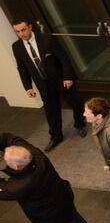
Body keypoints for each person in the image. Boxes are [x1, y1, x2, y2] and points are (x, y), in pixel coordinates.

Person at [11, 18, 86, 150]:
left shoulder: (47, 39)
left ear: (30, 27)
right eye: (17, 32)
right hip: (43, 83)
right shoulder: (16, 47)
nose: (21, 34)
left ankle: (80, 124)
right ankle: (56, 137)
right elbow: (22, 68)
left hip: (62, 79)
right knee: (51, 112)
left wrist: (67, 77)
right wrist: (28, 87)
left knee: (75, 103)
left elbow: (63, 57)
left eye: (23, 30)